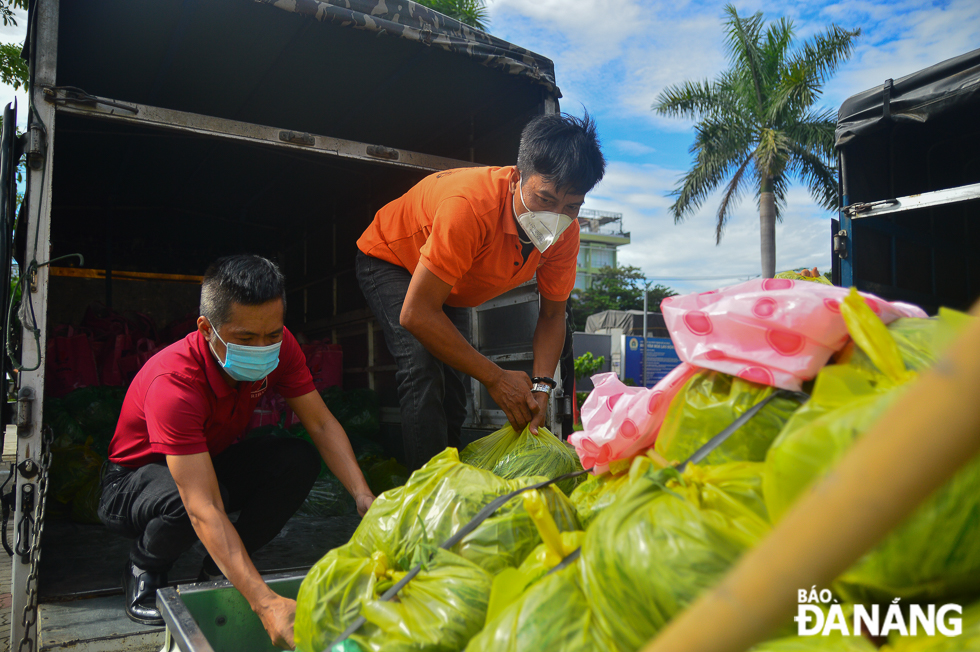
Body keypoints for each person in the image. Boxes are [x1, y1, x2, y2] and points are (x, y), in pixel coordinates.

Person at [98, 254, 374, 649]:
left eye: (272, 335)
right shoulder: (175, 382)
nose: (263, 348)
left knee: (296, 461)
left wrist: (363, 496)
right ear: (206, 328)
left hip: (207, 459)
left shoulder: (280, 345)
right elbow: (202, 505)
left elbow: (321, 423)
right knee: (197, 501)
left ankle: (217, 573)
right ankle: (143, 568)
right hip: (131, 482)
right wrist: (265, 605)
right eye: (246, 338)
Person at [356, 112, 605, 470]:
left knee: (455, 387)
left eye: (571, 207)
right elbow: (416, 313)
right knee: (423, 367)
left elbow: (553, 315)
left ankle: (453, 479)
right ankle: (428, 498)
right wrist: (495, 376)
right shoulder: (469, 207)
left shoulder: (566, 234)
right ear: (517, 178)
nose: (556, 217)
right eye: (545, 199)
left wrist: (542, 386)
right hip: (391, 259)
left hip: (450, 286)